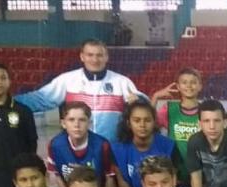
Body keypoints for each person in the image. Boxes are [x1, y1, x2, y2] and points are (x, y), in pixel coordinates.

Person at [16, 39, 145, 142]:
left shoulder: (122, 82)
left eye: (99, 55)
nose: (95, 60)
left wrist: (138, 101)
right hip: (77, 149)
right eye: (90, 55)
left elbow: (143, 106)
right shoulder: (67, 80)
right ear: (82, 57)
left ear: (106, 57)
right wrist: (10, 102)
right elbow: (40, 99)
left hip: (112, 150)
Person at [47, 101, 118, 187]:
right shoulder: (55, 145)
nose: (77, 125)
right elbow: (57, 176)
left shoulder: (102, 145)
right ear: (63, 123)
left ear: (89, 123)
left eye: (82, 120)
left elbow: (110, 179)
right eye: (71, 120)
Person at [112, 99, 176, 187]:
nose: (142, 125)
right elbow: (122, 182)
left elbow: (173, 179)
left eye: (147, 120)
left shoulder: (168, 146)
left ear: (154, 122)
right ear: (129, 123)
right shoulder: (117, 149)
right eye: (137, 120)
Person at [152, 67, 203, 187]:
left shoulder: (206, 110)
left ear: (200, 86)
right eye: (184, 82)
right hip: (176, 171)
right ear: (178, 86)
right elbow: (150, 124)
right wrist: (155, 97)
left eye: (193, 82)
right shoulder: (169, 108)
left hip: (201, 171)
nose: (189, 86)